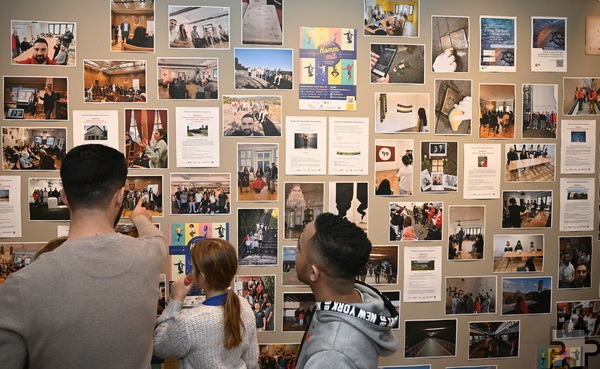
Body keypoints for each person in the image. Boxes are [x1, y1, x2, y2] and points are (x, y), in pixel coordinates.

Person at [0, 144, 167, 368]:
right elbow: (156, 238)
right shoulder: (149, 256)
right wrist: (140, 218)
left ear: (64, 197)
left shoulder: (18, 288)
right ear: (119, 196)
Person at [295, 213, 398, 369]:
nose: (295, 253)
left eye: (298, 249)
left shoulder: (330, 357)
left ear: (313, 273)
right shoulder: (358, 300)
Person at [153, 238, 259, 368]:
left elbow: (159, 346)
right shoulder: (244, 306)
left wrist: (176, 300)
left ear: (202, 278)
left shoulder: (188, 322)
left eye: (192, 267)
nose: (190, 271)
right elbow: (251, 361)